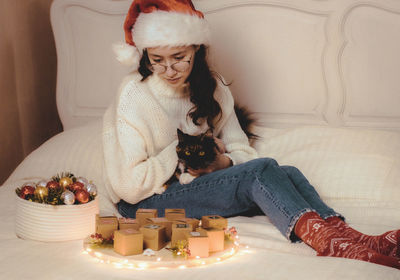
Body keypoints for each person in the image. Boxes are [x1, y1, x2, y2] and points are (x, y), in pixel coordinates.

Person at [102, 0, 400, 269]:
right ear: (145, 56)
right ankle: (329, 243)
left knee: (289, 172)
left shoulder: (213, 87)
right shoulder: (133, 94)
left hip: (198, 184)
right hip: (146, 203)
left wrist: (223, 164)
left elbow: (241, 149)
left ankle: (349, 237)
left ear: (196, 47)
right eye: (156, 59)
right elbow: (128, 186)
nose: (168, 69)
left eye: (178, 56)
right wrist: (183, 149)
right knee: (260, 171)